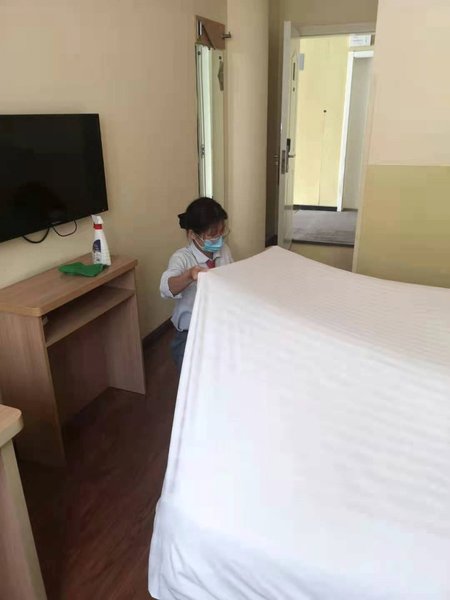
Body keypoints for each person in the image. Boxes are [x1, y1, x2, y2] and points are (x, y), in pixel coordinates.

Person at [160, 197, 233, 372]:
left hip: (220, 328)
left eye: (221, 232)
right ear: (193, 234)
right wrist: (189, 276)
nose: (219, 239)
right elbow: (166, 288)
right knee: (193, 379)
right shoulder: (182, 258)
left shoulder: (224, 250)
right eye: (212, 234)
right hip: (191, 334)